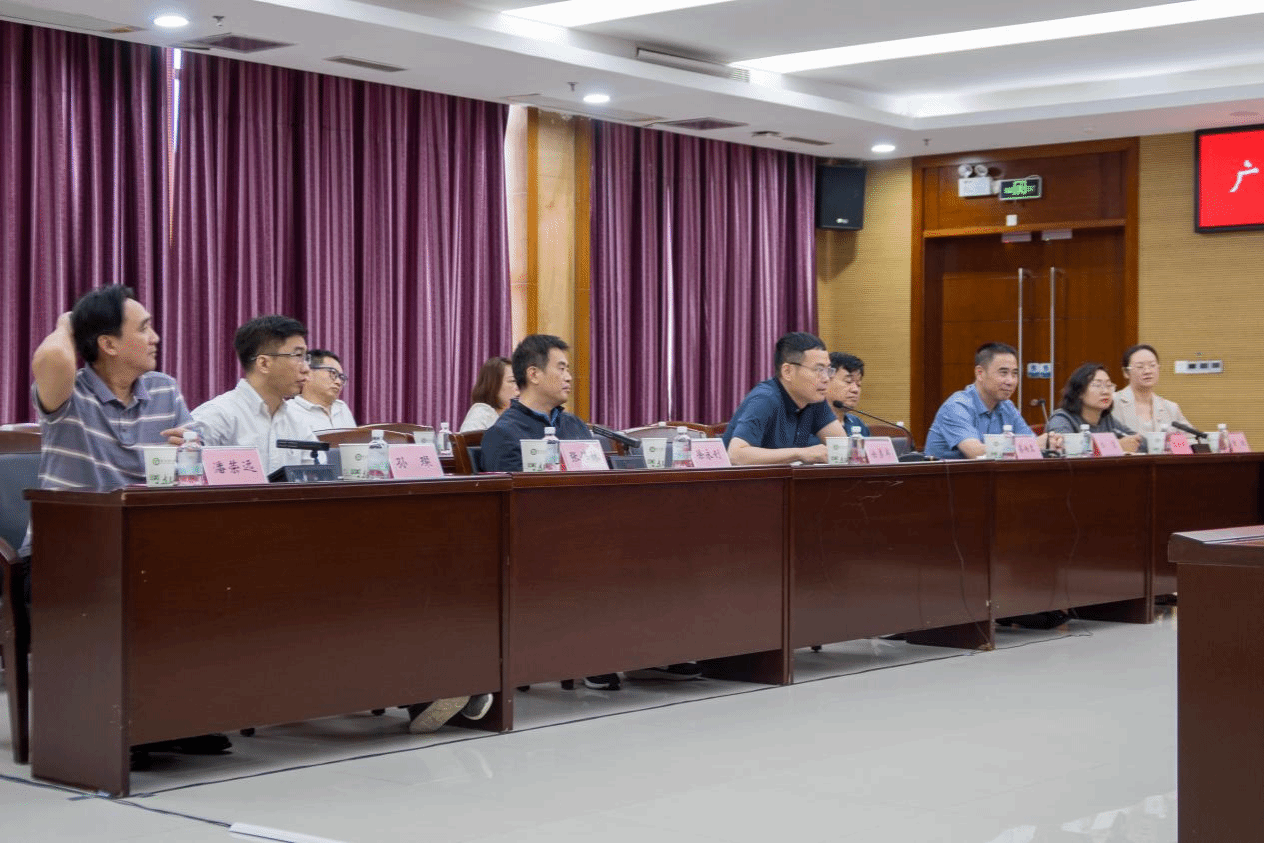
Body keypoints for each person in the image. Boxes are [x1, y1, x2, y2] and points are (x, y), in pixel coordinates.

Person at [24, 285, 229, 766]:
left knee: (213, 585)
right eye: (144, 328)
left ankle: (172, 718)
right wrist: (68, 323)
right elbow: (51, 357)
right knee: (127, 594)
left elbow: (191, 450)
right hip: (65, 555)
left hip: (144, 546)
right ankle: (117, 728)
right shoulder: (68, 391)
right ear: (108, 344)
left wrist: (192, 448)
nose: (156, 337)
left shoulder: (164, 389)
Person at [481, 334, 700, 689]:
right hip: (542, 543)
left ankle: (652, 653)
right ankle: (597, 654)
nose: (569, 376)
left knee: (665, 543)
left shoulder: (575, 426)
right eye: (561, 368)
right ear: (533, 374)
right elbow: (510, 508)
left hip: (594, 528)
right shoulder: (504, 434)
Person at [190, 316, 322, 475]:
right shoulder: (217, 416)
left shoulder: (297, 422)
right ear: (264, 363)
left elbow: (316, 477)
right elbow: (187, 472)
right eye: (297, 356)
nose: (306, 369)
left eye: (305, 357)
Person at [721, 332, 846, 465]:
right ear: (787, 371)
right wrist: (801, 453)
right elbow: (736, 455)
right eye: (819, 369)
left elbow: (842, 449)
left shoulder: (813, 400)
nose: (826, 378)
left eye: (828, 370)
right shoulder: (765, 398)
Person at [924, 342, 1062, 459]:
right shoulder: (957, 406)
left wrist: (1049, 443)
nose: (1010, 381)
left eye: (1014, 374)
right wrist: (1032, 445)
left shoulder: (1007, 406)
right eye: (1003, 373)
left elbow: (1031, 441)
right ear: (980, 373)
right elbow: (975, 452)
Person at [1045, 363, 1143, 452]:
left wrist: (1135, 442)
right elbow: (1063, 448)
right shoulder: (1061, 418)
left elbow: (1141, 442)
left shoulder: (1107, 420)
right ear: (1080, 392)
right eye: (1097, 385)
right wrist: (1116, 446)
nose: (1106, 391)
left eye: (1109, 385)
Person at [1111, 344, 1191, 434]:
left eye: (1152, 365)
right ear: (1126, 372)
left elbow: (1191, 438)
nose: (1147, 371)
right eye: (1140, 367)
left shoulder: (1171, 408)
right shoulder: (1111, 403)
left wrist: (1174, 442)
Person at [293, 349, 356, 432]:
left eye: (341, 377)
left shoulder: (341, 407)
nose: (339, 382)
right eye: (333, 373)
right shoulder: (290, 411)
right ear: (307, 373)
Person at [459, 356, 518, 432]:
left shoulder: (511, 416)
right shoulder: (480, 414)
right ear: (493, 385)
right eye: (512, 381)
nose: (519, 388)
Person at [825, 352, 870, 437]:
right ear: (825, 381)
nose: (855, 390)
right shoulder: (807, 422)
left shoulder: (856, 423)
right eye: (848, 381)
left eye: (858, 384)